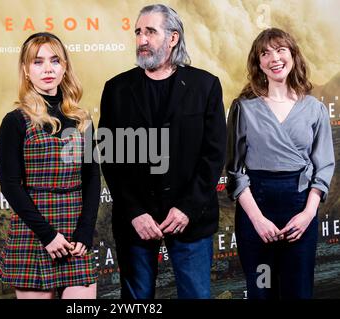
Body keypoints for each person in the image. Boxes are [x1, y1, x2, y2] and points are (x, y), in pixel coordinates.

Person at [98, 4, 226, 299]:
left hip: (190, 219)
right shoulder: (116, 89)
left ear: (173, 38)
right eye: (138, 32)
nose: (142, 39)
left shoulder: (205, 86)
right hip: (136, 223)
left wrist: (187, 208)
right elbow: (110, 158)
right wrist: (135, 211)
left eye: (150, 32)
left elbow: (214, 155)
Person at [226, 28, 335, 299]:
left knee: (298, 292)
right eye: (265, 53)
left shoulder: (315, 109)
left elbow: (323, 167)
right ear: (258, 63)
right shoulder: (244, 108)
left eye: (280, 50)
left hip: (300, 210)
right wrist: (257, 220)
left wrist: (308, 215)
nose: (274, 58)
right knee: (261, 291)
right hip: (256, 212)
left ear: (293, 56)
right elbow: (235, 171)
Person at [0, 32, 100, 299]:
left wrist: (85, 231)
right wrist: (48, 235)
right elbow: (9, 185)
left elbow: (92, 178)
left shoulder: (82, 119)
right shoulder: (15, 120)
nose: (48, 68)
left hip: (75, 232)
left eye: (55, 60)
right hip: (34, 232)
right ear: (26, 71)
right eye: (38, 62)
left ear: (65, 67)